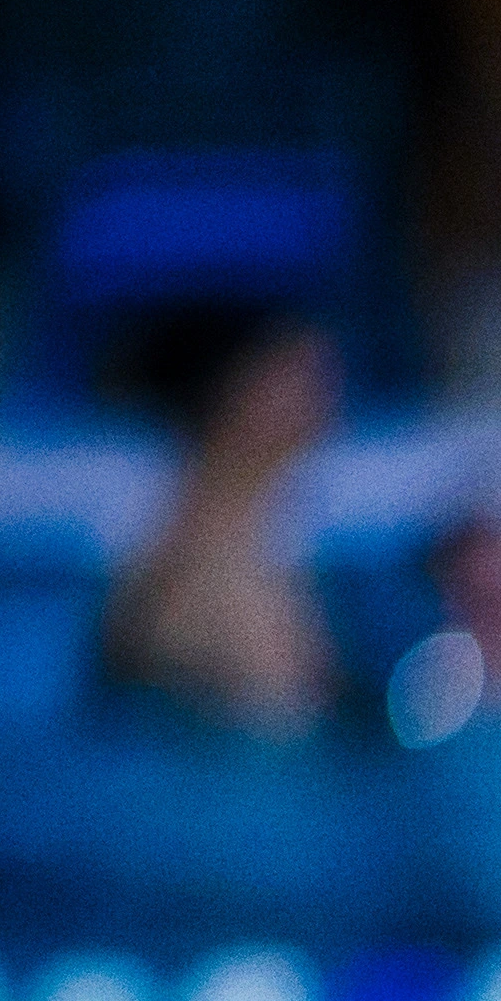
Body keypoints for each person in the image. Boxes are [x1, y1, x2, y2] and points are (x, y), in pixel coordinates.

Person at [87, 299, 348, 738]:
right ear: (237, 395)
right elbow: (282, 746)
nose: (330, 397)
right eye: (303, 375)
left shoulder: (209, 550)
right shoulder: (217, 582)